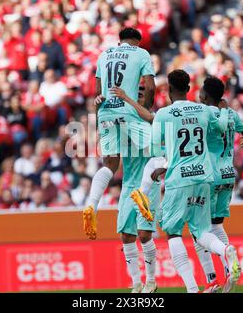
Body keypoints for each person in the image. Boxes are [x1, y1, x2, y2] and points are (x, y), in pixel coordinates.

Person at [148, 70, 240, 293]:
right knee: (201, 231)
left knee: (173, 232)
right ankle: (225, 249)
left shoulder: (164, 114)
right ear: (189, 89)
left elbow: (154, 148)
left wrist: (164, 166)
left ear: (168, 89)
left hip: (179, 179)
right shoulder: (204, 109)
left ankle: (192, 289)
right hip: (205, 178)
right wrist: (226, 109)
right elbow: (220, 128)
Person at [82, 28, 157, 293]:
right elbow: (149, 84)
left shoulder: (104, 55)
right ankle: (137, 282)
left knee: (110, 164)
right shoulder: (141, 53)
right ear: (136, 41)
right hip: (132, 187)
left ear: (118, 41)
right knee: (128, 235)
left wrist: (100, 104)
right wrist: (142, 105)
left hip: (106, 114)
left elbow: (96, 91)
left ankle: (149, 282)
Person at [191, 76, 243, 293]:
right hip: (228, 175)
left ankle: (212, 277)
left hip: (208, 176)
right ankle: (229, 270)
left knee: (196, 229)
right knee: (216, 225)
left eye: (201, 91)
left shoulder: (203, 112)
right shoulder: (232, 114)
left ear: (205, 95)